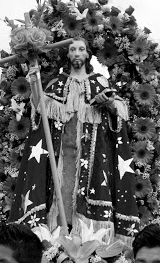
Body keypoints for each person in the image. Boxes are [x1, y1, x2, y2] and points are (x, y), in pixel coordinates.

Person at [9, 37, 138, 243]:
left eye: (81, 49)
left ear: (87, 54)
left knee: (90, 195)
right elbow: (40, 107)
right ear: (67, 54)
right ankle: (58, 243)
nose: (77, 53)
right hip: (63, 157)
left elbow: (119, 114)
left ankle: (92, 245)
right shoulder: (57, 84)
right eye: (72, 49)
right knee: (61, 196)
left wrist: (110, 103)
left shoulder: (100, 82)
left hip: (93, 157)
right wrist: (34, 81)